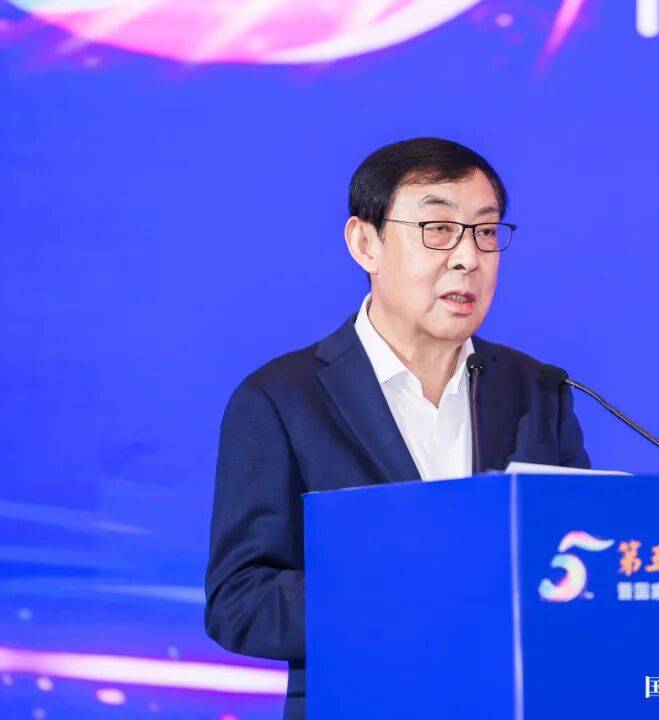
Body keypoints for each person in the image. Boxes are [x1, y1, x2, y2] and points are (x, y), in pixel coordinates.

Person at [203, 137, 590, 719]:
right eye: (439, 229)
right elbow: (239, 601)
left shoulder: (537, 390)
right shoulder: (281, 399)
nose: (468, 257)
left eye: (485, 232)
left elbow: (574, 558)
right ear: (366, 244)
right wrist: (405, 597)